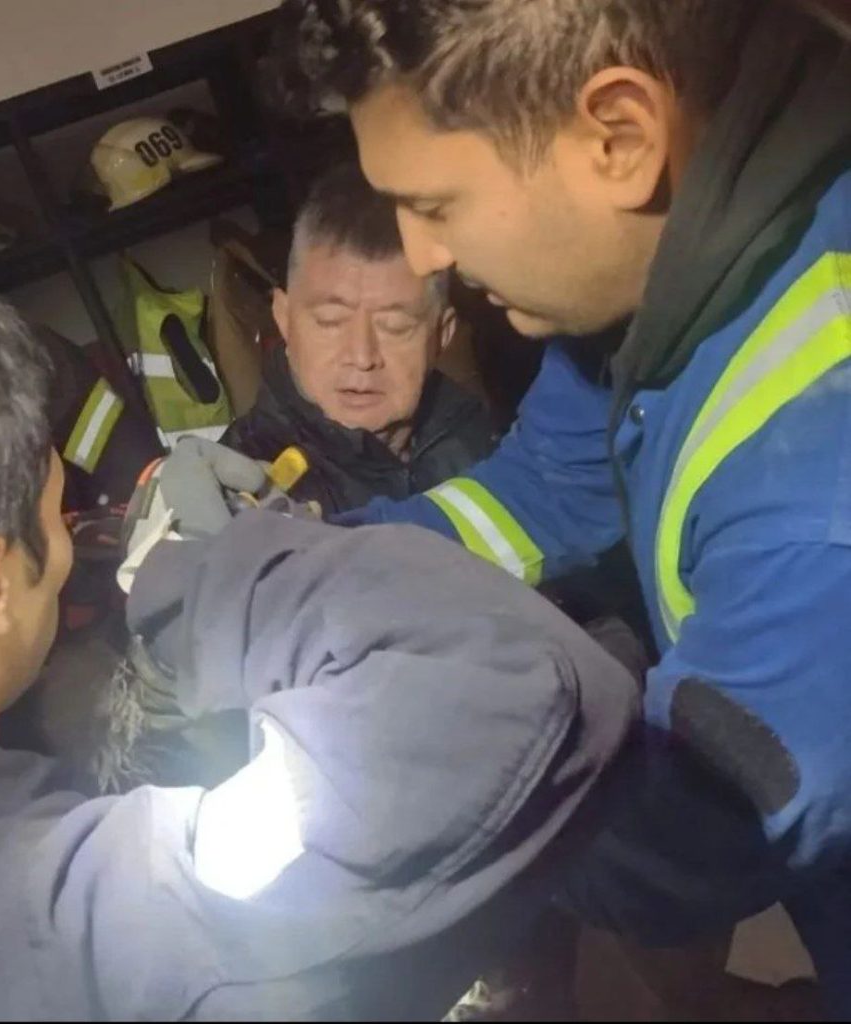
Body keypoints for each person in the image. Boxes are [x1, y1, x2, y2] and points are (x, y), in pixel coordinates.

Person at [0, 249, 637, 1020]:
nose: (71, 546)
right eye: (57, 519)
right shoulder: (86, 922)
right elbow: (518, 685)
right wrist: (208, 574)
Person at [261, 0, 851, 1014]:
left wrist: (381, 797)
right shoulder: (666, 270)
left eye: (436, 205)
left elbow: (680, 847)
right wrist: (304, 570)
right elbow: (545, 487)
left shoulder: (818, 491)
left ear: (617, 138)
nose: (424, 253)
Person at [221, 162, 495, 515]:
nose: (362, 356)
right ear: (284, 319)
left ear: (442, 335)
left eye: (394, 326)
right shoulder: (242, 499)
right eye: (331, 322)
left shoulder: (488, 444)